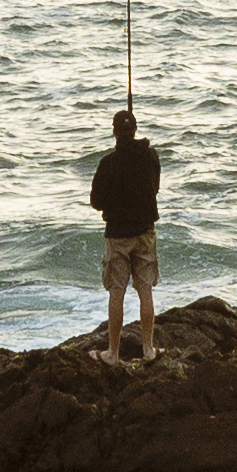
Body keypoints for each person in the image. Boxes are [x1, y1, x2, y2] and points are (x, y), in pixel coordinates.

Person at [90, 96, 162, 359]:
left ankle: (113, 353)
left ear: (114, 132)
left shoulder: (108, 163)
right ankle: (148, 349)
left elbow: (96, 202)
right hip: (144, 232)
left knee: (116, 293)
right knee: (146, 291)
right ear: (135, 130)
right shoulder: (150, 156)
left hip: (118, 236)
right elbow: (155, 187)